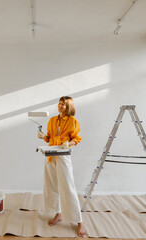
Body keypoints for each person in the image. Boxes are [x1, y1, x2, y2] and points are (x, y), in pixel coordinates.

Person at [38, 96, 87, 237]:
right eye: (59, 104)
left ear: (68, 107)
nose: (60, 106)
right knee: (52, 185)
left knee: (68, 187)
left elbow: (76, 139)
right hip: (50, 155)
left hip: (63, 154)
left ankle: (79, 221)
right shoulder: (52, 120)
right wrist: (43, 137)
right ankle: (58, 213)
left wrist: (68, 144)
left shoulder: (72, 121)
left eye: (63, 105)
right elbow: (49, 137)